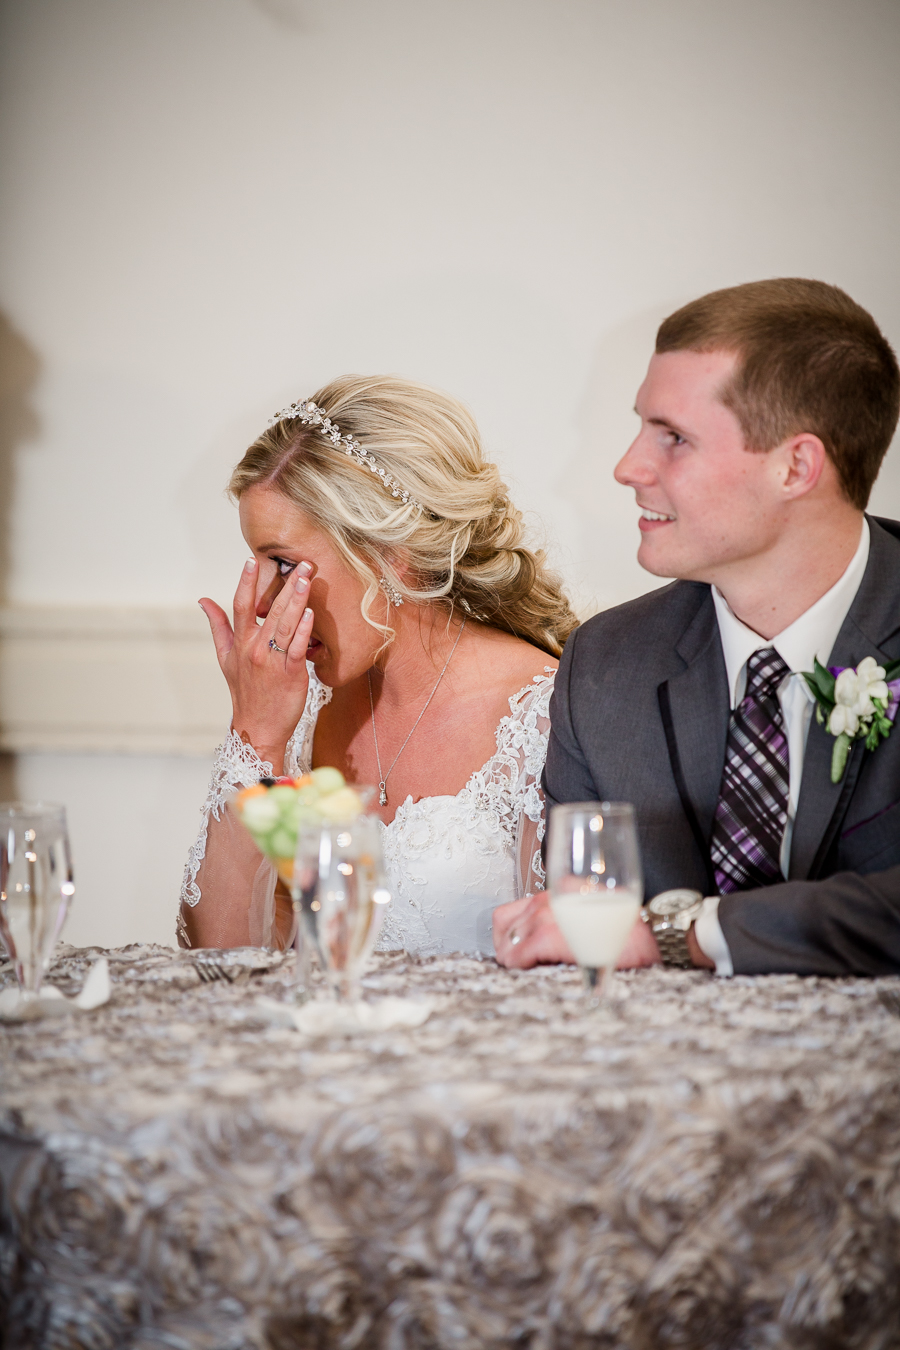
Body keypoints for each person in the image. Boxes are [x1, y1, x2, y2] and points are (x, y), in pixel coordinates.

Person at [494, 278, 900, 977]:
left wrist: (681, 933)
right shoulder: (606, 664)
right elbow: (580, 923)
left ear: (796, 466)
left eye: (673, 438)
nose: (628, 467)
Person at [179, 375, 578, 956]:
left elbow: (565, 968)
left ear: (390, 553)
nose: (263, 603)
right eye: (256, 563)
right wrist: (256, 737)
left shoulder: (543, 713)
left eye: (284, 565)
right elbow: (220, 958)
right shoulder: (300, 707)